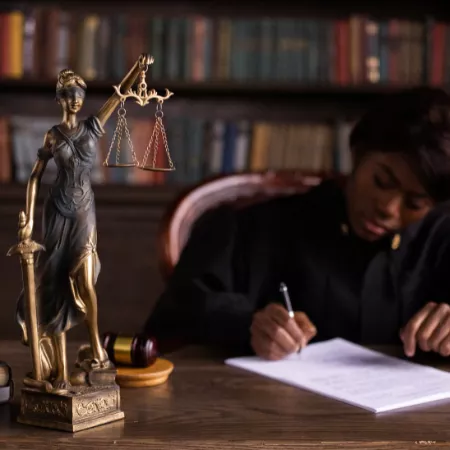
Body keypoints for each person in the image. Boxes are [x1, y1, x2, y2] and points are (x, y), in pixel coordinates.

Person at [144, 86, 450, 361]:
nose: (388, 209)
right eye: (382, 181)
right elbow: (174, 315)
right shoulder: (251, 226)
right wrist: (248, 324)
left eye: (414, 203)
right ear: (358, 155)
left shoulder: (441, 238)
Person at [15, 54, 152, 389]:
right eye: (69, 95)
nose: (75, 100)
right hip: (57, 213)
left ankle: (95, 346)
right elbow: (35, 177)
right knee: (57, 283)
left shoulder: (93, 125)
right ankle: (58, 364)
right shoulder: (52, 135)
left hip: (84, 212)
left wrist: (139, 68)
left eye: (79, 94)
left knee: (86, 281)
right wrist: (28, 221)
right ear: (60, 99)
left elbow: (120, 94)